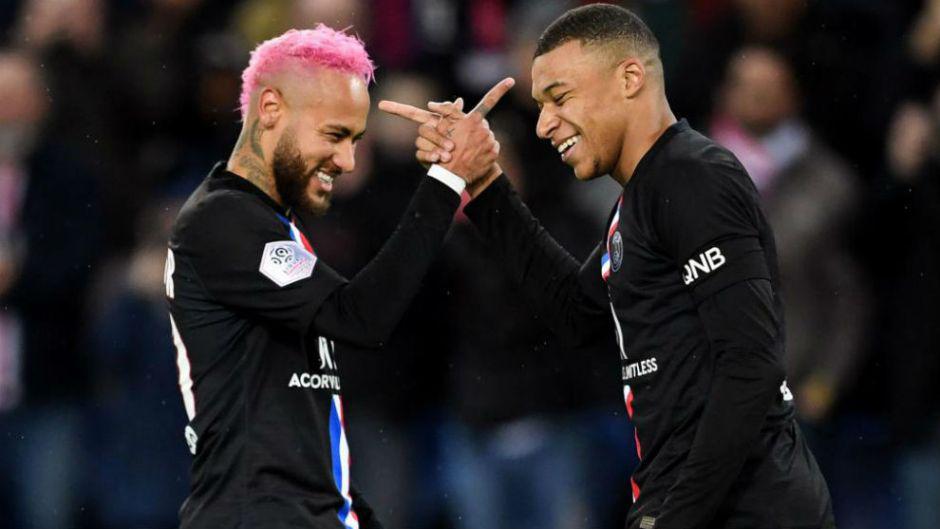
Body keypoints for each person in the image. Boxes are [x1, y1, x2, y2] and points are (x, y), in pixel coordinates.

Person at [381, 5, 835, 529]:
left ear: (630, 78)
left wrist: (676, 514)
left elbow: (750, 366)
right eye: (541, 105)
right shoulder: (641, 200)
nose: (545, 124)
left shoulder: (693, 177)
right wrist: (483, 184)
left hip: (748, 510)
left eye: (561, 98)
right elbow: (577, 313)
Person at [165, 26, 511, 529]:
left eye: (355, 140)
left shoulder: (274, 226)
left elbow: (300, 427)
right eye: (334, 135)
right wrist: (446, 179)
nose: (347, 161)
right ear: (270, 110)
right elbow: (359, 318)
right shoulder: (221, 222)